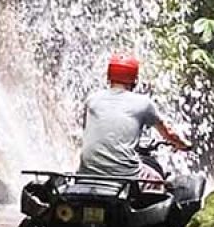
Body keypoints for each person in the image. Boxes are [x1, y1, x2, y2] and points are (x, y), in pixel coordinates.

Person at [79, 53, 190, 185]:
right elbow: (169, 133)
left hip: (86, 173)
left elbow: (87, 129)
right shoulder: (143, 103)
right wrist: (183, 145)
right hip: (126, 174)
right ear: (135, 79)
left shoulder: (92, 100)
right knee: (158, 180)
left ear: (108, 76)